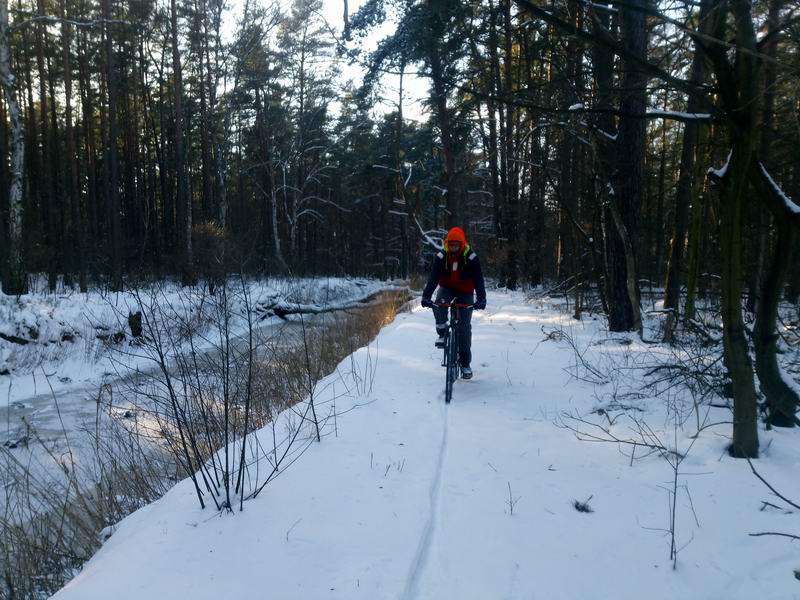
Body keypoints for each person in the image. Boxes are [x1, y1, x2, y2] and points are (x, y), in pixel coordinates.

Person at [421, 226, 487, 379]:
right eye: (451, 245)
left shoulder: (471, 257)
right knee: (438, 304)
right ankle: (442, 331)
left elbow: (478, 279)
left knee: (464, 328)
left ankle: (465, 364)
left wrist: (481, 298)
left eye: (456, 245)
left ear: (462, 244)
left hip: (465, 291)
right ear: (447, 244)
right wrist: (426, 296)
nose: (453, 248)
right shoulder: (441, 256)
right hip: (447, 288)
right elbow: (434, 277)